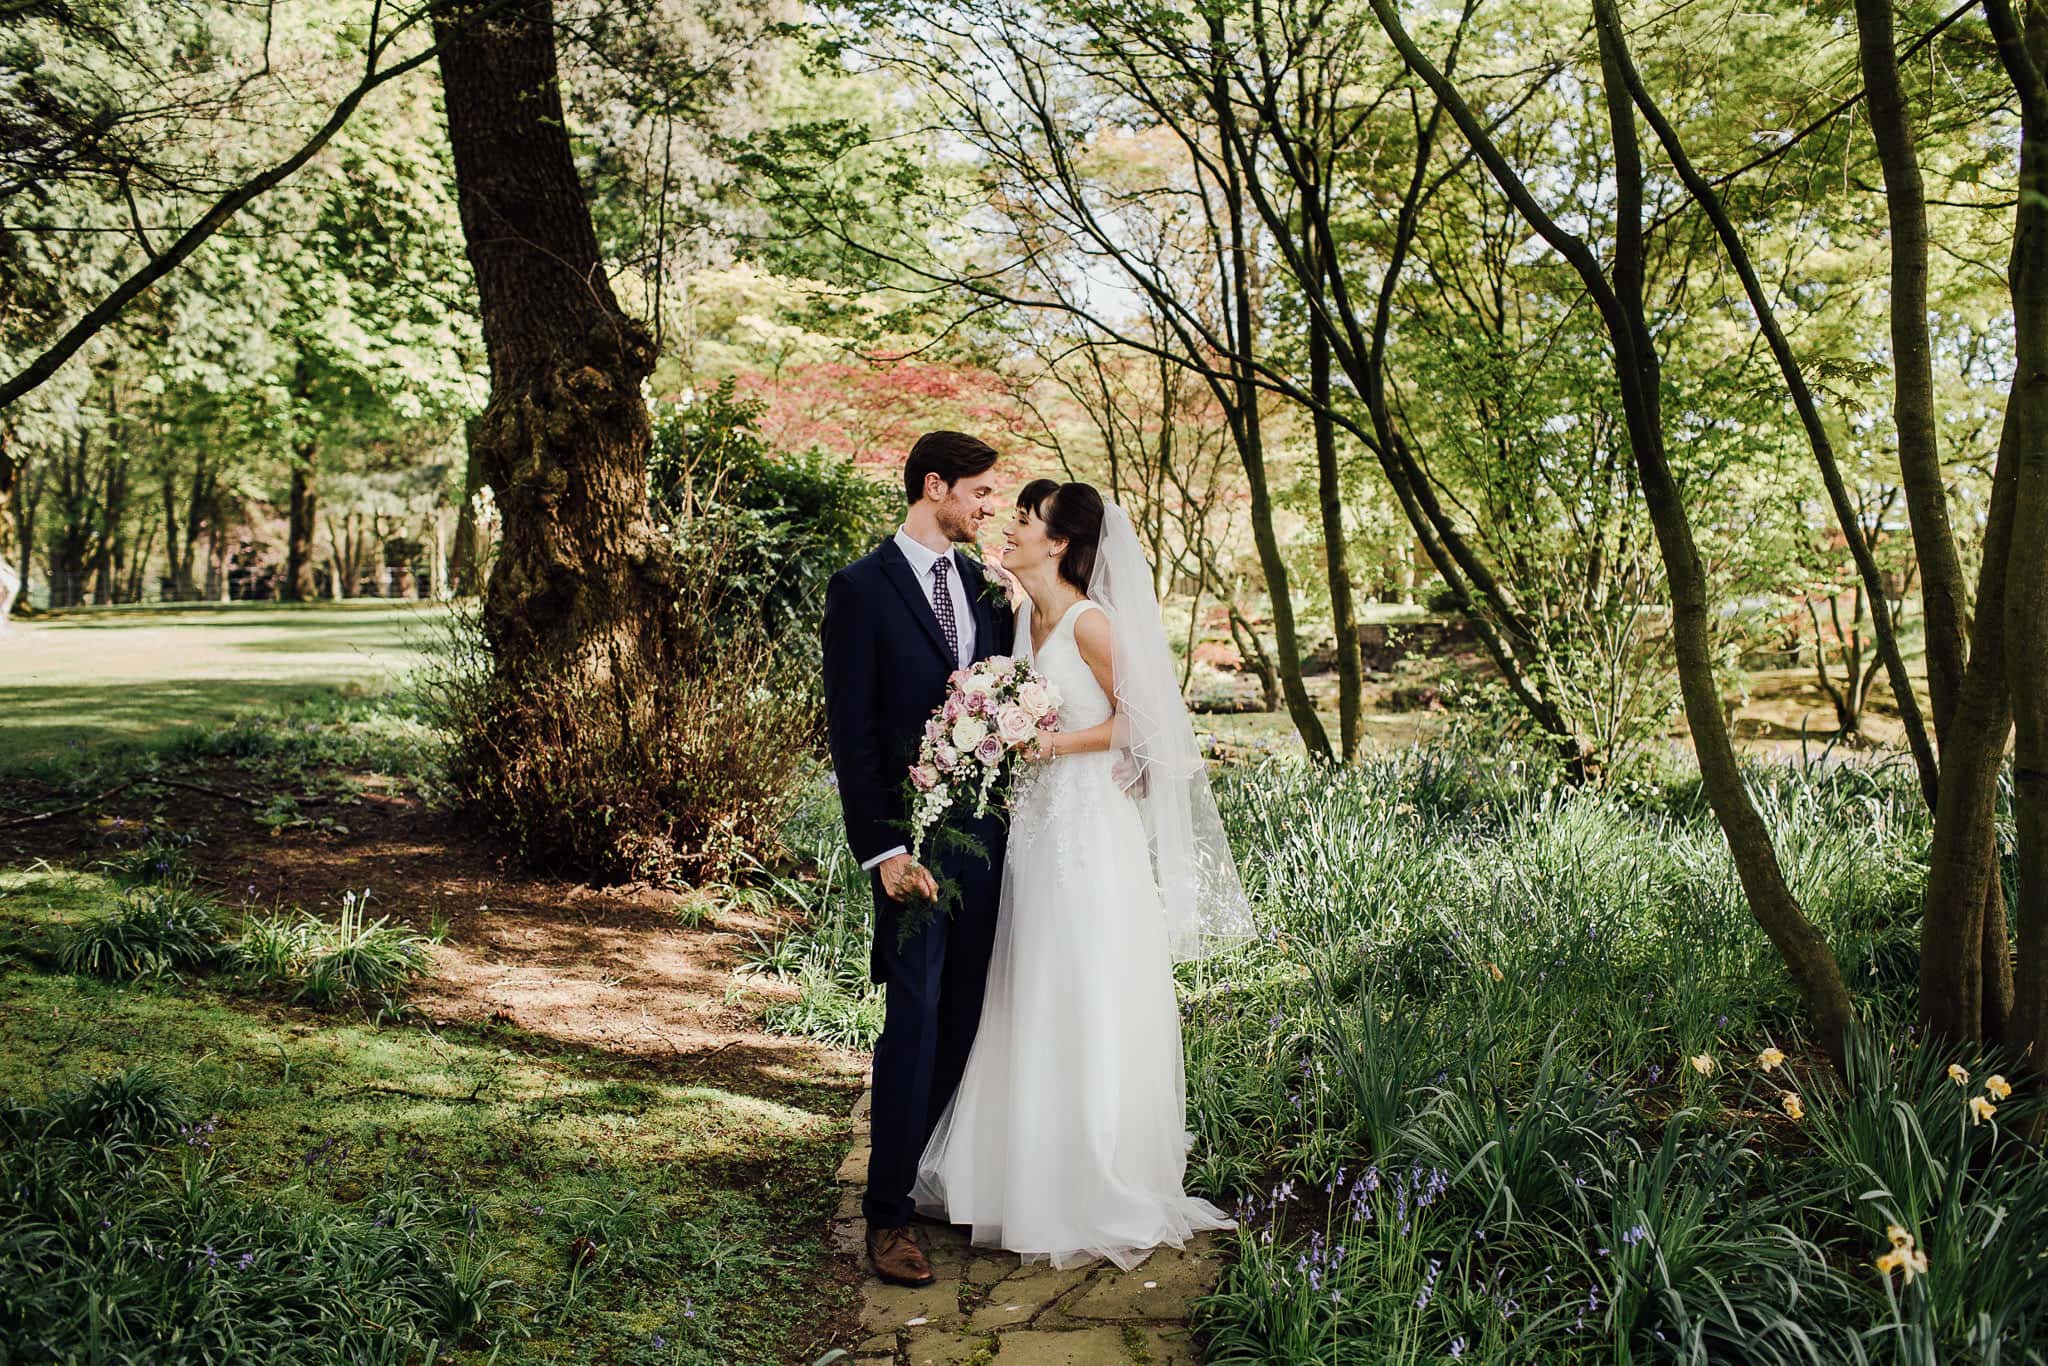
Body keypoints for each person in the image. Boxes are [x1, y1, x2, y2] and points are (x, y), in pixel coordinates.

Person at [911, 478, 1254, 1270]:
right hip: (1034, 831)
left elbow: (1146, 722)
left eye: (1024, 522)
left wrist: (1045, 743)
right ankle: (1014, 1176)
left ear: (1058, 541)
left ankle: (1093, 1179)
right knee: (1029, 980)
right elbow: (1012, 664)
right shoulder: (1028, 616)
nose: (1010, 527)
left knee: (1085, 982)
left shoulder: (1094, 624)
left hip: (1090, 831)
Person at [820, 431, 1013, 1288]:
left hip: (993, 839)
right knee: (915, 1019)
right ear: (934, 486)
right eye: (977, 491)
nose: (987, 507)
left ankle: (934, 1177)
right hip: (915, 848)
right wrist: (884, 852)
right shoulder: (860, 589)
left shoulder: (986, 587)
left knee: (968, 1015)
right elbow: (851, 733)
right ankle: (887, 1216)